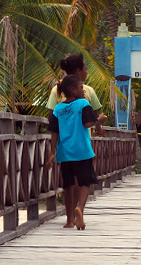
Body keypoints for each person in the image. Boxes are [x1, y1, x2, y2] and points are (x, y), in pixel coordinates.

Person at [46, 75, 100, 230]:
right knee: (85, 182)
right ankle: (80, 208)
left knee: (68, 185)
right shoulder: (83, 104)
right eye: (81, 87)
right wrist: (99, 120)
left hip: (64, 152)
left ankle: (69, 220)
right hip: (82, 151)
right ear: (73, 90)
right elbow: (88, 123)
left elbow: (54, 131)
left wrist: (52, 152)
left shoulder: (58, 108)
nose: (84, 91)